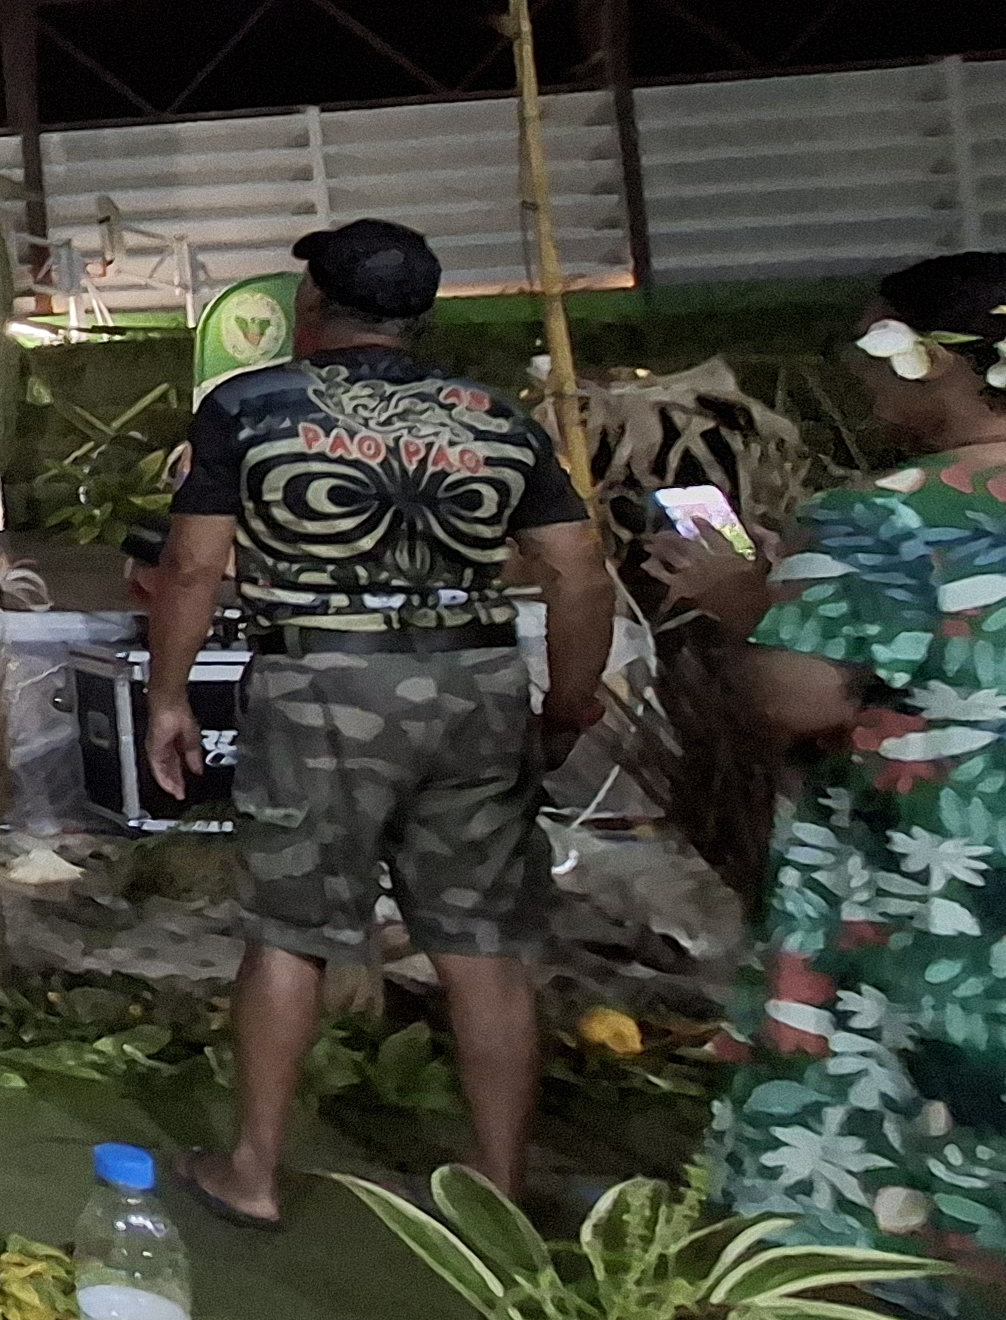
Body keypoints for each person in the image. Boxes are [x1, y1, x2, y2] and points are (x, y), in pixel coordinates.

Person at [143, 218, 609, 1226]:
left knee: (291, 931)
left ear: (312, 305)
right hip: (476, 680)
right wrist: (568, 702)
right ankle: (496, 1184)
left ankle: (254, 1172)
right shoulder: (496, 416)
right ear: (420, 314)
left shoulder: (249, 406)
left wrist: (168, 694)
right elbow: (577, 568)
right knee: (481, 942)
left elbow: (191, 564)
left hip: (322, 688)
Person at [647, 251, 1006, 1299]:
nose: (858, 370)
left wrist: (749, 601)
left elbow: (798, 699)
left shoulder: (882, 514)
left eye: (870, 346)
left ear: (933, 360)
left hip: (939, 873)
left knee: (917, 1094)